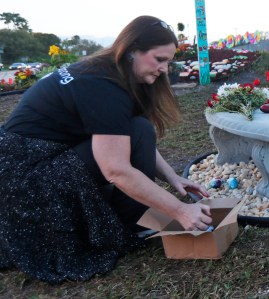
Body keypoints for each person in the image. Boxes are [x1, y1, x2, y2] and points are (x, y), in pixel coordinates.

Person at [0, 15, 211, 283]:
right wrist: (180, 211)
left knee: (139, 128)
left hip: (30, 160)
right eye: (159, 60)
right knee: (138, 133)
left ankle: (132, 212)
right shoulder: (104, 88)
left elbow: (127, 136)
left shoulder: (105, 72)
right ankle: (132, 220)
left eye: (168, 61)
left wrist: (172, 177)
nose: (164, 69)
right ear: (132, 50)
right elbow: (116, 170)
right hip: (24, 179)